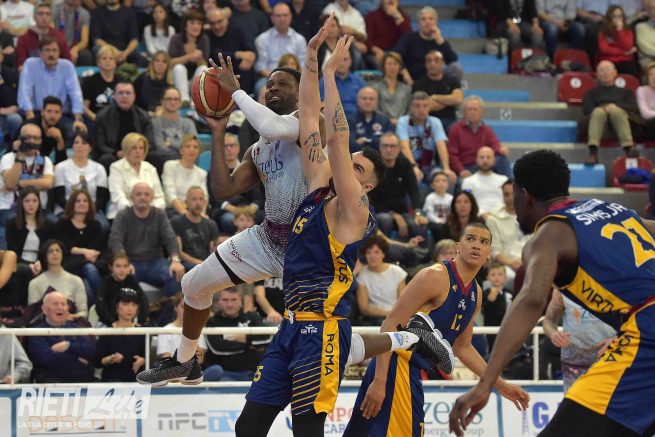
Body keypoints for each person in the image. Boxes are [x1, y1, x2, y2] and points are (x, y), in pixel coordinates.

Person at [234, 29, 419, 436]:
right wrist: (311, 57)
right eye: (351, 161)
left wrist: (331, 75)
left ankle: (404, 340)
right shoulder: (319, 184)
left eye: (358, 168)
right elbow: (308, 117)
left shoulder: (355, 208)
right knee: (247, 428)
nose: (348, 165)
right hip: (289, 325)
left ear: (366, 185)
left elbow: (336, 138)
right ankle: (404, 339)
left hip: (322, 331)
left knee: (307, 431)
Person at [449, 149, 655, 437]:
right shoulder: (615, 210)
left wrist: (485, 383)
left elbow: (532, 299)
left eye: (514, 195)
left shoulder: (548, 235)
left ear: (524, 195)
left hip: (646, 331)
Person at [344, 222, 529, 436]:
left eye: (483, 241)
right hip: (396, 364)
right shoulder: (434, 276)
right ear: (458, 246)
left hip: (411, 370)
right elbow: (390, 324)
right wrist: (380, 380)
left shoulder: (475, 294)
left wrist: (501, 385)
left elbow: (463, 347)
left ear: (489, 253)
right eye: (470, 238)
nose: (476, 245)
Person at [108, 182, 184, 297]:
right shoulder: (123, 215)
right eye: (138, 194)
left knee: (175, 273)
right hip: (131, 262)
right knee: (121, 274)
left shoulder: (159, 215)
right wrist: (124, 263)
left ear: (152, 197)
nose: (142, 197)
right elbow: (115, 240)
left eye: (146, 194)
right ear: (131, 197)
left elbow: (170, 239)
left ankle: (166, 307)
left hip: (156, 263)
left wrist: (176, 260)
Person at [543, 288, 616, 392]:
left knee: (611, 401)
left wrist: (617, 338)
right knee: (575, 402)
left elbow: (636, 319)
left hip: (611, 360)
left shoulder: (617, 284)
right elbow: (548, 321)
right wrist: (553, 334)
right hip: (575, 364)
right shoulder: (563, 287)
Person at [1, 125, 54, 250]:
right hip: (9, 208)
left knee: (54, 223)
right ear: (20, 139)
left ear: (41, 141)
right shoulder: (8, 158)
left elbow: (47, 183)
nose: (31, 141)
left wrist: (20, 184)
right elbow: (10, 183)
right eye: (28, 137)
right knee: (12, 222)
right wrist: (19, 157)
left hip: (38, 209)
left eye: (35, 138)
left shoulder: (45, 160)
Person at [17, 36, 86, 132]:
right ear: (40, 52)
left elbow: (75, 93)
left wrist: (77, 118)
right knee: (31, 132)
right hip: (36, 114)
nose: (51, 54)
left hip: (60, 115)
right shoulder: (30, 64)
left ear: (59, 52)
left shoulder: (67, 66)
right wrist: (31, 118)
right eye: (47, 50)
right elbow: (24, 92)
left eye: (54, 50)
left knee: (74, 131)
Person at [203, 287, 271, 381]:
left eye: (234, 299)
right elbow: (217, 349)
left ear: (241, 300)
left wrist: (244, 339)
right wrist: (250, 344)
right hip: (227, 374)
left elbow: (267, 338)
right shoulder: (212, 322)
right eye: (225, 300)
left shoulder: (252, 317)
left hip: (258, 373)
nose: (230, 304)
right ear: (219, 302)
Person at [368, 132, 427, 240]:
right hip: (378, 212)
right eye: (385, 146)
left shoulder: (404, 163)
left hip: (402, 212)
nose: (389, 149)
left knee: (418, 224)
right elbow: (370, 201)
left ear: (399, 148)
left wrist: (418, 213)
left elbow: (414, 191)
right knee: (386, 220)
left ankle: (417, 250)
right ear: (380, 148)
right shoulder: (373, 167)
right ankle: (383, 249)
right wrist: (393, 215)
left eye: (393, 146)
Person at [27, 291, 95, 383]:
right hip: (50, 380)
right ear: (44, 309)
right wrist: (76, 358)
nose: (60, 307)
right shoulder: (36, 332)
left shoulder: (77, 328)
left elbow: (90, 351)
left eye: (63, 304)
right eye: (55, 304)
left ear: (68, 309)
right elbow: (46, 358)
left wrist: (68, 345)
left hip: (82, 379)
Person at [582, 60, 641, 165]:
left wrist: (616, 107)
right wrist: (604, 108)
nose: (605, 73)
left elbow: (633, 107)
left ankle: (628, 147)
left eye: (608, 69)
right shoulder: (590, 93)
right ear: (597, 74)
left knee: (617, 112)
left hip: (622, 125)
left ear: (615, 72)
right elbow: (587, 110)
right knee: (598, 112)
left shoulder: (626, 92)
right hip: (599, 126)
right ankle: (593, 153)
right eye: (601, 70)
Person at [55, 189, 103, 306]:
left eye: (85, 201)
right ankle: (102, 303)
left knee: (89, 283)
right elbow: (65, 247)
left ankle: (99, 306)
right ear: (72, 204)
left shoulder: (95, 225)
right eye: (78, 201)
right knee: (88, 280)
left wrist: (89, 254)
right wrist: (85, 251)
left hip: (90, 262)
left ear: (90, 204)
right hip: (70, 263)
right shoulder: (62, 224)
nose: (82, 203)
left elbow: (98, 248)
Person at [447, 95, 512, 179]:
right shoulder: (455, 129)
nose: (472, 112)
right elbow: (452, 155)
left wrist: (501, 149)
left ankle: (510, 184)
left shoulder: (487, 129)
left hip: (483, 164)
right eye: (469, 109)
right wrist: (461, 170)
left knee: (502, 159)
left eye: (475, 109)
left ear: (481, 111)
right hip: (466, 168)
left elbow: (495, 145)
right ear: (464, 112)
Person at [396, 91, 454, 183]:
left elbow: (441, 146)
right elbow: (404, 147)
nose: (421, 109)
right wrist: (413, 166)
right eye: (417, 106)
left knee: (445, 179)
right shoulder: (403, 121)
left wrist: (446, 168)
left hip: (429, 165)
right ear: (411, 107)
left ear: (429, 107)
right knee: (414, 177)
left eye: (425, 106)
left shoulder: (435, 122)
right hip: (408, 164)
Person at [93, 81, 153, 170]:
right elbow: (100, 144)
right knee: (106, 159)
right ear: (114, 96)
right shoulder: (102, 116)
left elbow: (149, 142)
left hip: (138, 152)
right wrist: (116, 153)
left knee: (155, 156)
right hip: (114, 154)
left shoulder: (143, 116)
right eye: (121, 93)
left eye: (128, 93)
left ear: (134, 96)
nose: (124, 96)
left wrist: (138, 152)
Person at [393, 7, 462, 82]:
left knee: (456, 68)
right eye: (423, 19)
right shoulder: (408, 38)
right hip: (413, 78)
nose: (427, 22)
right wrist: (405, 73)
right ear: (418, 24)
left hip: (435, 79)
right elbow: (396, 55)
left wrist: (440, 41)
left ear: (436, 23)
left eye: (431, 19)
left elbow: (452, 60)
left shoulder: (440, 41)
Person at [53, 131, 109, 221]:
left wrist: (88, 210)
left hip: (92, 210)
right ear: (72, 146)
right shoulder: (61, 167)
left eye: (84, 143)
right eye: (76, 142)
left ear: (90, 148)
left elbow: (102, 198)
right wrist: (74, 210)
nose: (79, 146)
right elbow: (59, 197)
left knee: (103, 225)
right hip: (66, 209)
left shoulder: (99, 168)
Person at [107, 133, 164, 219]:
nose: (138, 151)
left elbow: (159, 196)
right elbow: (118, 197)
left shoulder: (150, 168)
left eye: (141, 148)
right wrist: (137, 212)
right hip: (124, 215)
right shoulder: (116, 168)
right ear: (126, 149)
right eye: (134, 148)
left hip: (151, 215)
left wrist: (149, 211)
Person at [95, 287, 145, 382]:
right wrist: (110, 359)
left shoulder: (142, 332)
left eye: (134, 305)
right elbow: (97, 362)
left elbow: (147, 358)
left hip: (137, 381)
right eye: (125, 304)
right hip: (112, 381)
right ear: (116, 307)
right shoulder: (107, 332)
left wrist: (142, 360)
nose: (130, 309)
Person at [356, 235, 408, 326]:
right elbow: (364, 309)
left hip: (397, 317)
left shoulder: (397, 271)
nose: (372, 256)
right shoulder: (362, 274)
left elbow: (403, 303)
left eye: (377, 252)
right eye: (369, 252)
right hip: (374, 319)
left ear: (383, 254)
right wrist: (388, 314)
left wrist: (395, 315)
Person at [486, 180, 529, 288]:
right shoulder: (493, 219)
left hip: (530, 261)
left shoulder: (531, 215)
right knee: (508, 277)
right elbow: (495, 251)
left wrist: (525, 261)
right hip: (506, 265)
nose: (510, 198)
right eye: (506, 194)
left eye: (513, 194)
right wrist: (512, 263)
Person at [27, 239, 87, 317]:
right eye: (50, 251)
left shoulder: (76, 281)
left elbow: (83, 312)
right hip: (44, 323)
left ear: (62, 255)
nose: (55, 253)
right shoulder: (35, 283)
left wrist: (68, 317)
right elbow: (33, 314)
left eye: (57, 251)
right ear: (45, 257)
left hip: (71, 322)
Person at [5, 187, 54, 277]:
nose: (31, 204)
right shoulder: (12, 223)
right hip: (19, 264)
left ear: (39, 203)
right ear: (21, 203)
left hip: (41, 263)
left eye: (35, 201)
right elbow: (13, 251)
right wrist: (29, 265)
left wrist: (40, 262)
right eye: (27, 201)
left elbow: (48, 249)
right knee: (23, 270)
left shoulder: (48, 224)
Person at [206, 7, 256, 94]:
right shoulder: (207, 35)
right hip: (218, 73)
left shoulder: (238, 29)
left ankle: (245, 96)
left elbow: (251, 48)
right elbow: (215, 55)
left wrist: (251, 57)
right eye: (212, 23)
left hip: (239, 70)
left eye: (219, 21)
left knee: (246, 66)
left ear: (226, 20)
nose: (217, 26)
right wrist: (237, 54)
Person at [412, 50, 463, 133]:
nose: (432, 64)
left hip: (450, 120)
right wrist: (449, 101)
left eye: (436, 61)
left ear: (443, 63)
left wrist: (434, 97)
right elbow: (425, 107)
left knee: (456, 129)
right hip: (428, 120)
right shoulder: (419, 84)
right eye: (429, 61)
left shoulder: (452, 81)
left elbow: (458, 99)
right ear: (425, 64)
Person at [170, 186, 219, 271]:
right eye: (194, 199)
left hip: (205, 264)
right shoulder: (177, 222)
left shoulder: (211, 224)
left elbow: (214, 251)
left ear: (204, 202)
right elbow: (179, 252)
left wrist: (205, 264)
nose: (198, 203)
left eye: (201, 199)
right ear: (186, 202)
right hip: (186, 264)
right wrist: (200, 264)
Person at [254, 3, 306, 82]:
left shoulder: (300, 39)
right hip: (269, 79)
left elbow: (303, 65)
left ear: (290, 17)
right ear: (272, 18)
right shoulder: (262, 39)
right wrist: (277, 80)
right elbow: (261, 66)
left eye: (285, 15)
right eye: (278, 16)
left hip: (295, 79)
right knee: (261, 87)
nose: (282, 18)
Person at [95, 251, 148, 327]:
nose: (122, 270)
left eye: (125, 266)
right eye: (118, 266)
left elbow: (143, 299)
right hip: (108, 324)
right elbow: (100, 303)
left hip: (128, 323)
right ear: (111, 268)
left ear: (129, 267)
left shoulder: (131, 280)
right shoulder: (106, 281)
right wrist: (110, 323)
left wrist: (141, 320)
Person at [150, 87, 197, 171]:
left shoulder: (188, 123)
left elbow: (192, 147)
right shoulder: (155, 123)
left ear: (180, 102)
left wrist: (169, 143)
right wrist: (181, 148)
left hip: (185, 165)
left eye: (176, 99)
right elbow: (160, 146)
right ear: (162, 102)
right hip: (163, 165)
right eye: (169, 99)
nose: (173, 102)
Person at [168, 11, 209, 106]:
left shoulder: (204, 39)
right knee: (179, 67)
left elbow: (204, 64)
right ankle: (184, 100)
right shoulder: (176, 38)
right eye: (192, 23)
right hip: (178, 79)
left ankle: (195, 101)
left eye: (199, 23)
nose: (196, 26)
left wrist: (199, 57)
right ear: (185, 26)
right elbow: (171, 62)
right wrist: (190, 56)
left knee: (203, 69)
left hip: (194, 81)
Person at [162, 134, 207, 217]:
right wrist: (185, 213)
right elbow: (170, 194)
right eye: (188, 146)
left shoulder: (202, 173)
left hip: (196, 211)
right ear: (181, 150)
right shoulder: (170, 166)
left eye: (195, 147)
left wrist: (201, 214)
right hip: (174, 210)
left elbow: (204, 198)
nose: (192, 150)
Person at [16, 3, 70, 69]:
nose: (44, 17)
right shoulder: (24, 39)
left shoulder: (59, 37)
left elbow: (67, 62)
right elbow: (21, 65)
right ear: (34, 17)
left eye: (48, 14)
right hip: (32, 73)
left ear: (51, 17)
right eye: (40, 14)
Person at [157, 292, 207, 359]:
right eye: (183, 307)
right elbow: (166, 359)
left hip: (193, 365)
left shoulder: (198, 329)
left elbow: (200, 360)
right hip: (174, 365)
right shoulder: (165, 330)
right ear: (175, 307)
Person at [461, 146, 509, 216]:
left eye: (488, 157)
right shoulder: (468, 181)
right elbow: (467, 202)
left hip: (501, 217)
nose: (485, 160)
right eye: (482, 157)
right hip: (477, 217)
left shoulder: (503, 180)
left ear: (494, 160)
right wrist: (482, 214)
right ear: (476, 160)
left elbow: (509, 202)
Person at [90, 0, 139, 65]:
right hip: (105, 47)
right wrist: (113, 51)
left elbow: (134, 40)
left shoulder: (129, 12)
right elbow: (97, 39)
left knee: (136, 54)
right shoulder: (97, 12)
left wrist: (126, 53)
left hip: (125, 50)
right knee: (97, 49)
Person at [597, 5, 640, 78]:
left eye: (620, 16)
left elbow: (627, 47)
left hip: (625, 61)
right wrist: (623, 52)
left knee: (632, 71)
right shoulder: (603, 32)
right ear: (610, 18)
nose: (618, 19)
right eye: (615, 16)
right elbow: (604, 49)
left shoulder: (628, 31)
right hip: (608, 60)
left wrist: (620, 31)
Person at [365, 0, 411, 67]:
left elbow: (409, 40)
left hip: (397, 53)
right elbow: (367, 40)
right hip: (377, 52)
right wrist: (376, 50)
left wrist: (398, 18)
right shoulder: (371, 16)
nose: (390, 0)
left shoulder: (404, 18)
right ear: (381, 1)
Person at [371, 51, 411, 126]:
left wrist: (401, 122)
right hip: (382, 124)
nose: (392, 67)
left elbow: (409, 110)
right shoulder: (375, 88)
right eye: (389, 64)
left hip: (402, 125)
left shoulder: (406, 89)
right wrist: (389, 121)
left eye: (395, 64)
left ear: (399, 67)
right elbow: (375, 109)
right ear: (383, 66)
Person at [348, 87, 392, 152]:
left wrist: (364, 141)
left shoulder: (385, 120)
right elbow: (351, 145)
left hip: (379, 157)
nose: (368, 101)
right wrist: (375, 142)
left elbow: (388, 145)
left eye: (371, 99)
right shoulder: (349, 119)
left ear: (377, 101)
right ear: (357, 100)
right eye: (364, 98)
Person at [81, 45, 118, 122]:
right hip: (95, 120)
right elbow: (84, 107)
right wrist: (96, 119)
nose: (107, 61)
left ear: (115, 63)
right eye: (104, 58)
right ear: (98, 62)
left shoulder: (121, 82)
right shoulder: (90, 81)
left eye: (111, 58)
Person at [30, 96, 69, 165]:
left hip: (46, 165)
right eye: (49, 111)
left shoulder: (61, 129)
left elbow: (62, 164)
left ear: (61, 114)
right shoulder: (30, 126)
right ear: (42, 112)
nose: (53, 116)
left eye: (57, 112)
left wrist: (60, 141)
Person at [52, 0, 92, 66]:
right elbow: (51, 34)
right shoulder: (54, 9)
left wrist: (75, 49)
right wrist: (64, 50)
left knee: (85, 55)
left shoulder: (84, 13)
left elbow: (84, 41)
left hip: (74, 46)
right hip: (58, 45)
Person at [482, 262, 510, 351]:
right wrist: (490, 300)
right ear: (488, 278)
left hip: (508, 327)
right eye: (493, 274)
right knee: (492, 349)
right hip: (491, 329)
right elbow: (485, 310)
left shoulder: (510, 293)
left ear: (505, 277)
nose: (496, 277)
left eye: (500, 274)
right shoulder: (485, 293)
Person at [423, 170, 453, 236]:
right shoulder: (430, 198)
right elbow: (429, 214)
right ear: (432, 185)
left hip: (448, 223)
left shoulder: (451, 198)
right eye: (437, 181)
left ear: (448, 184)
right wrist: (439, 221)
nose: (441, 183)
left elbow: (453, 213)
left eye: (444, 181)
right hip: (435, 224)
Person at [637, 62, 655, 140]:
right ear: (647, 78)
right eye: (651, 74)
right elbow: (645, 113)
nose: (654, 77)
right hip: (649, 124)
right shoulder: (642, 90)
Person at [636, 2, 655, 72]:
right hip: (649, 62)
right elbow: (645, 48)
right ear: (648, 12)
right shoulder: (640, 27)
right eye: (653, 9)